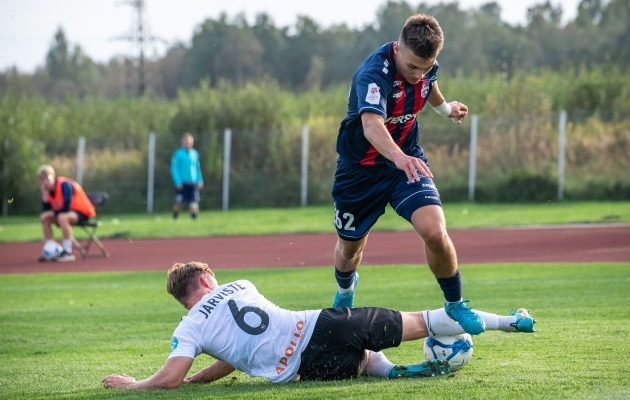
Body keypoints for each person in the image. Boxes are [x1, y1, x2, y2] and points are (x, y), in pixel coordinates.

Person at [102, 261, 536, 390]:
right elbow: (232, 350)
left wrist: (135, 383)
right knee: (422, 321)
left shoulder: (189, 328)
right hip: (318, 326)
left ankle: (396, 371)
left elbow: (223, 358)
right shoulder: (240, 282)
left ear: (183, 297)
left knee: (364, 362)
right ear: (205, 280)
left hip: (301, 370)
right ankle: (509, 323)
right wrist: (189, 379)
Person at [330, 14, 483, 335]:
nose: (418, 75)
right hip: (360, 172)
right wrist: (398, 158)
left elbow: (431, 87)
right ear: (398, 49)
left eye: (426, 67)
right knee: (349, 251)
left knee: (435, 232)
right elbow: (371, 126)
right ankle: (345, 291)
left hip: (406, 164)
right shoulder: (373, 76)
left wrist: (446, 110)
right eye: (412, 67)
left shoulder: (425, 68)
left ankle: (455, 304)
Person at [37, 164, 96, 262]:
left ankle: (67, 252)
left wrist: (51, 213)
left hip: (82, 213)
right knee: (44, 217)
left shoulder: (65, 185)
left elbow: (65, 208)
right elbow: (46, 211)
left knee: (62, 217)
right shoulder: (47, 191)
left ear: (53, 176)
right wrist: (45, 198)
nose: (45, 182)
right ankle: (50, 250)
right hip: (65, 214)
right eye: (42, 180)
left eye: (47, 178)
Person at [171, 132, 203, 220]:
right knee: (180, 203)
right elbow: (174, 168)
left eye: (189, 141)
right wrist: (178, 182)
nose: (187, 143)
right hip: (183, 182)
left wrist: (200, 180)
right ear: (182, 142)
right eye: (186, 141)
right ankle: (175, 217)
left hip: (193, 182)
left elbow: (197, 168)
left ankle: (194, 220)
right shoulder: (178, 154)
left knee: (194, 202)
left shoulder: (195, 153)